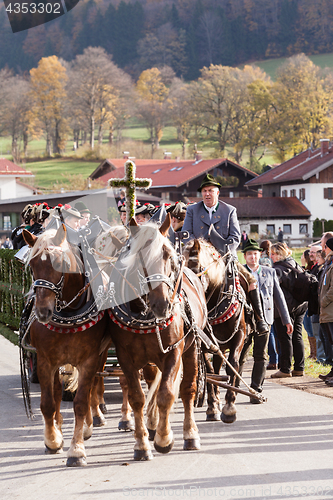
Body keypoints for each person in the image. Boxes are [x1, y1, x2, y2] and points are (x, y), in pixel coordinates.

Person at [183, 173, 269, 334]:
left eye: (210, 190)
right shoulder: (192, 210)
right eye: (204, 191)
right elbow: (186, 233)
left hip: (224, 256)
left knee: (250, 280)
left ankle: (259, 318)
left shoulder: (229, 210)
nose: (207, 193)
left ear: (217, 192)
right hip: (198, 257)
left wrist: (219, 251)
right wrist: (201, 249)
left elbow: (235, 237)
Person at [237, 238, 292, 403]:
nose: (253, 257)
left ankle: (256, 389)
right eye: (249, 254)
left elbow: (278, 296)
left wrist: (286, 320)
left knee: (261, 355)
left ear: (260, 255)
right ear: (244, 256)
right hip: (244, 321)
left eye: (255, 254)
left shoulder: (269, 272)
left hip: (265, 319)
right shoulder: (239, 271)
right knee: (241, 355)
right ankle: (234, 385)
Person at [271, 242, 307, 378]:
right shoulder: (294, 263)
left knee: (285, 337)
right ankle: (299, 368)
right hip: (301, 305)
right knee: (297, 335)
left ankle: (285, 369)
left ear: (279, 254)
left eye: (273, 253)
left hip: (285, 308)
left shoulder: (277, 269)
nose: (271, 256)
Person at [318, 235, 333, 382]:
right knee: (330, 341)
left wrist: (323, 301)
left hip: (330, 309)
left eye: (326, 247)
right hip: (328, 310)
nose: (324, 249)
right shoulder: (329, 263)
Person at [310, 247, 326, 365]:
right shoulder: (317, 268)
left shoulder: (324, 270)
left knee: (322, 335)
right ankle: (320, 357)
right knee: (317, 333)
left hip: (321, 306)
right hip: (316, 307)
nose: (317, 258)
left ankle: (322, 358)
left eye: (319, 256)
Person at [301, 249, 316, 359]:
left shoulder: (312, 269)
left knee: (311, 328)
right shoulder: (309, 268)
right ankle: (313, 352)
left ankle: (315, 353)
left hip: (311, 303)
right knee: (307, 328)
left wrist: (301, 265)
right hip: (306, 303)